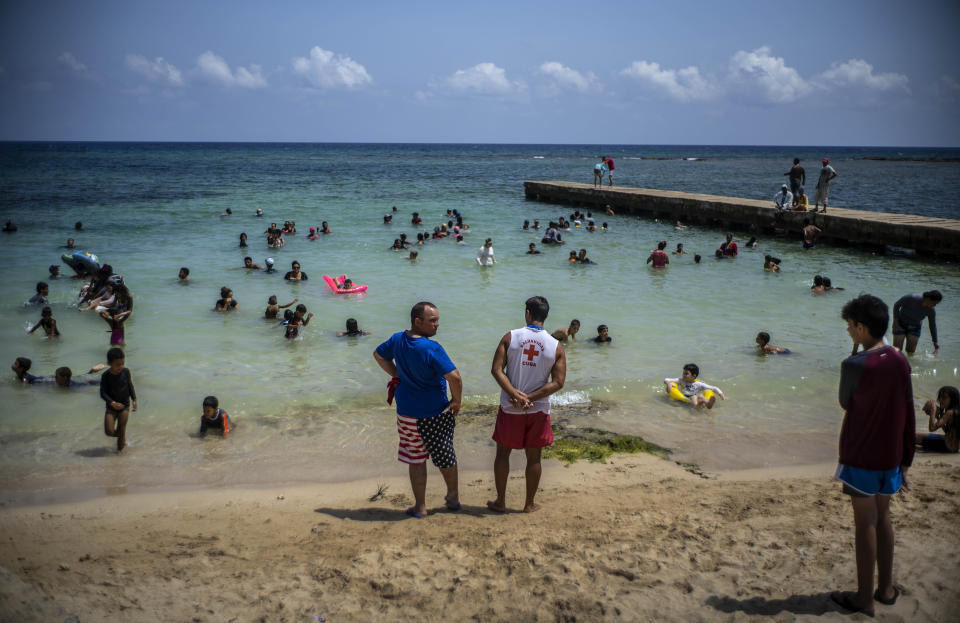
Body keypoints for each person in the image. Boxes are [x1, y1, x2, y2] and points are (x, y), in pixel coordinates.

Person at [831, 294, 914, 616]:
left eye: (850, 326)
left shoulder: (853, 364)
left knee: (864, 523)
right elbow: (907, 410)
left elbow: (845, 403)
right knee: (884, 519)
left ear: (862, 327)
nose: (849, 331)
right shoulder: (900, 360)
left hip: (861, 453)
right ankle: (886, 588)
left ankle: (864, 598)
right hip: (892, 455)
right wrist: (906, 461)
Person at [374, 302, 463, 519]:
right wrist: (457, 401)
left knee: (415, 459)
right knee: (445, 458)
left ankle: (420, 506)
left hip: (406, 414)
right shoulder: (431, 348)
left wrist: (397, 375)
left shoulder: (397, 339)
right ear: (417, 321)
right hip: (434, 414)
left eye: (437, 320)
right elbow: (455, 377)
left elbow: (378, 355)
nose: (437, 325)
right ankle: (452, 497)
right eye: (432, 320)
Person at [488, 296, 566, 513]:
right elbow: (558, 382)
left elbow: (496, 370)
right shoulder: (555, 345)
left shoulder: (511, 337)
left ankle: (501, 502)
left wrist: (515, 394)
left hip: (510, 407)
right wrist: (529, 398)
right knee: (534, 457)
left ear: (527, 313)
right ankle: (529, 504)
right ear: (545, 316)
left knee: (503, 454)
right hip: (537, 409)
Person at [100, 347, 137, 453]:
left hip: (124, 405)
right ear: (109, 363)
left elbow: (130, 386)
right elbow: (102, 393)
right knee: (109, 431)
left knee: (121, 428)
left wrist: (134, 399)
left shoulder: (126, 372)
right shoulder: (105, 376)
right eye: (117, 365)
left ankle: (120, 457)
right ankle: (122, 437)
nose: (121, 367)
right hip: (111, 407)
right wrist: (112, 403)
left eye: (122, 363)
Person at [892, 290, 942, 355]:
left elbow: (932, 325)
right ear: (928, 299)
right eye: (934, 303)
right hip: (900, 323)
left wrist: (935, 341)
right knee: (897, 350)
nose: (934, 306)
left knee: (910, 352)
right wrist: (895, 320)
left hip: (915, 327)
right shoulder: (912, 298)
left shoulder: (931, 311)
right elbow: (896, 305)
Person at [917, 386, 959, 453]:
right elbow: (947, 432)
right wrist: (937, 416)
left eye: (944, 398)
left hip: (946, 446)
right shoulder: (955, 412)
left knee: (913, 437)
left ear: (953, 399)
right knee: (918, 435)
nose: (941, 400)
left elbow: (931, 428)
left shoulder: (950, 413)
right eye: (940, 397)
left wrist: (933, 411)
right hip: (953, 447)